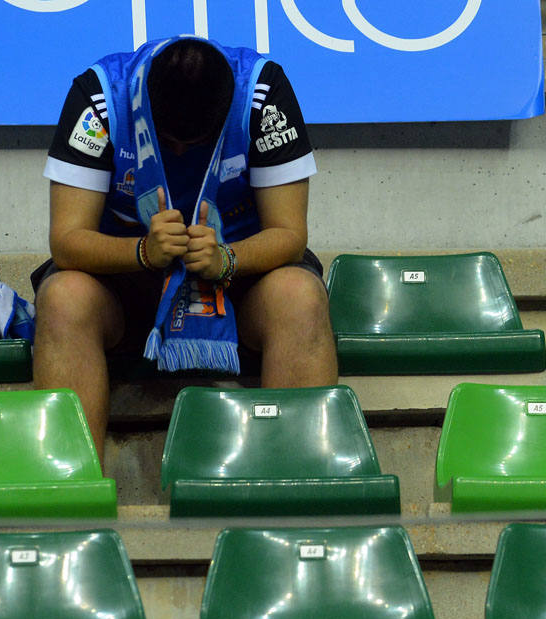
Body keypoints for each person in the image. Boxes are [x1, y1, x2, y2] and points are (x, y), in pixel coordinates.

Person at [34, 35, 337, 458]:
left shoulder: (263, 94)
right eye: (169, 140)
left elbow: (289, 233)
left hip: (236, 281)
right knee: (64, 297)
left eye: (190, 146)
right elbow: (67, 241)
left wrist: (227, 259)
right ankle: (72, 495)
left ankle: (296, 488)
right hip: (127, 285)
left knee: (300, 296)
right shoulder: (101, 95)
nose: (178, 152)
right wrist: (142, 253)